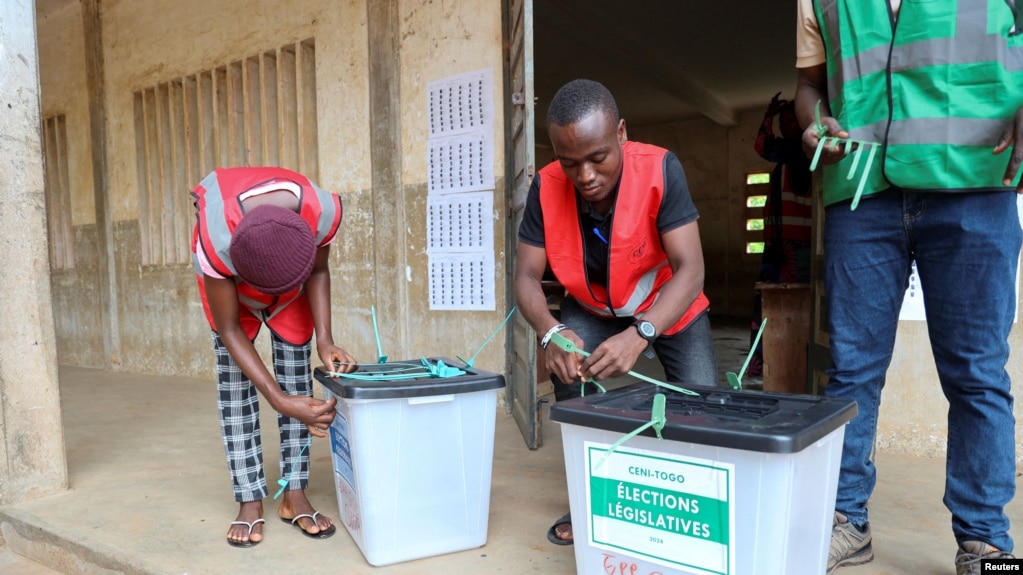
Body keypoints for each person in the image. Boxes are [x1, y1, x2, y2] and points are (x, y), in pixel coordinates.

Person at [794, 2, 1021, 573]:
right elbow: (808, 86)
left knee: (977, 372)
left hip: (974, 179)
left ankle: (985, 542)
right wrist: (812, 120)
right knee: (851, 370)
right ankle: (846, 521)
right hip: (862, 190)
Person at [513, 79, 719, 546]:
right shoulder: (545, 188)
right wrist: (550, 332)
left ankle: (698, 507)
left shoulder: (661, 169)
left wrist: (642, 332)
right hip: (592, 307)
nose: (585, 175)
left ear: (621, 133)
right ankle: (590, 500)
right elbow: (525, 277)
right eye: (571, 162)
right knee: (569, 374)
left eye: (597, 157)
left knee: (703, 407)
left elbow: (692, 269)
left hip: (669, 307)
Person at [191, 166, 358, 548]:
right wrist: (278, 400)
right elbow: (230, 328)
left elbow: (317, 270)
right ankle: (249, 499)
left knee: (298, 381)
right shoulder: (215, 238)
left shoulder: (321, 212)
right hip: (232, 298)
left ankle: (293, 493)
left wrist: (325, 339)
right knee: (236, 387)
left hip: (292, 287)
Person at [748, 92, 813, 376]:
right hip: (780, 244)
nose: (787, 124)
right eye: (783, 120)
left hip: (795, 246)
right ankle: (774, 362)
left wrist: (769, 114)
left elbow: (762, 144)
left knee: (785, 306)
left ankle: (787, 363)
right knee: (773, 304)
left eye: (791, 119)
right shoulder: (789, 154)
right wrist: (770, 114)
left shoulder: (798, 151)